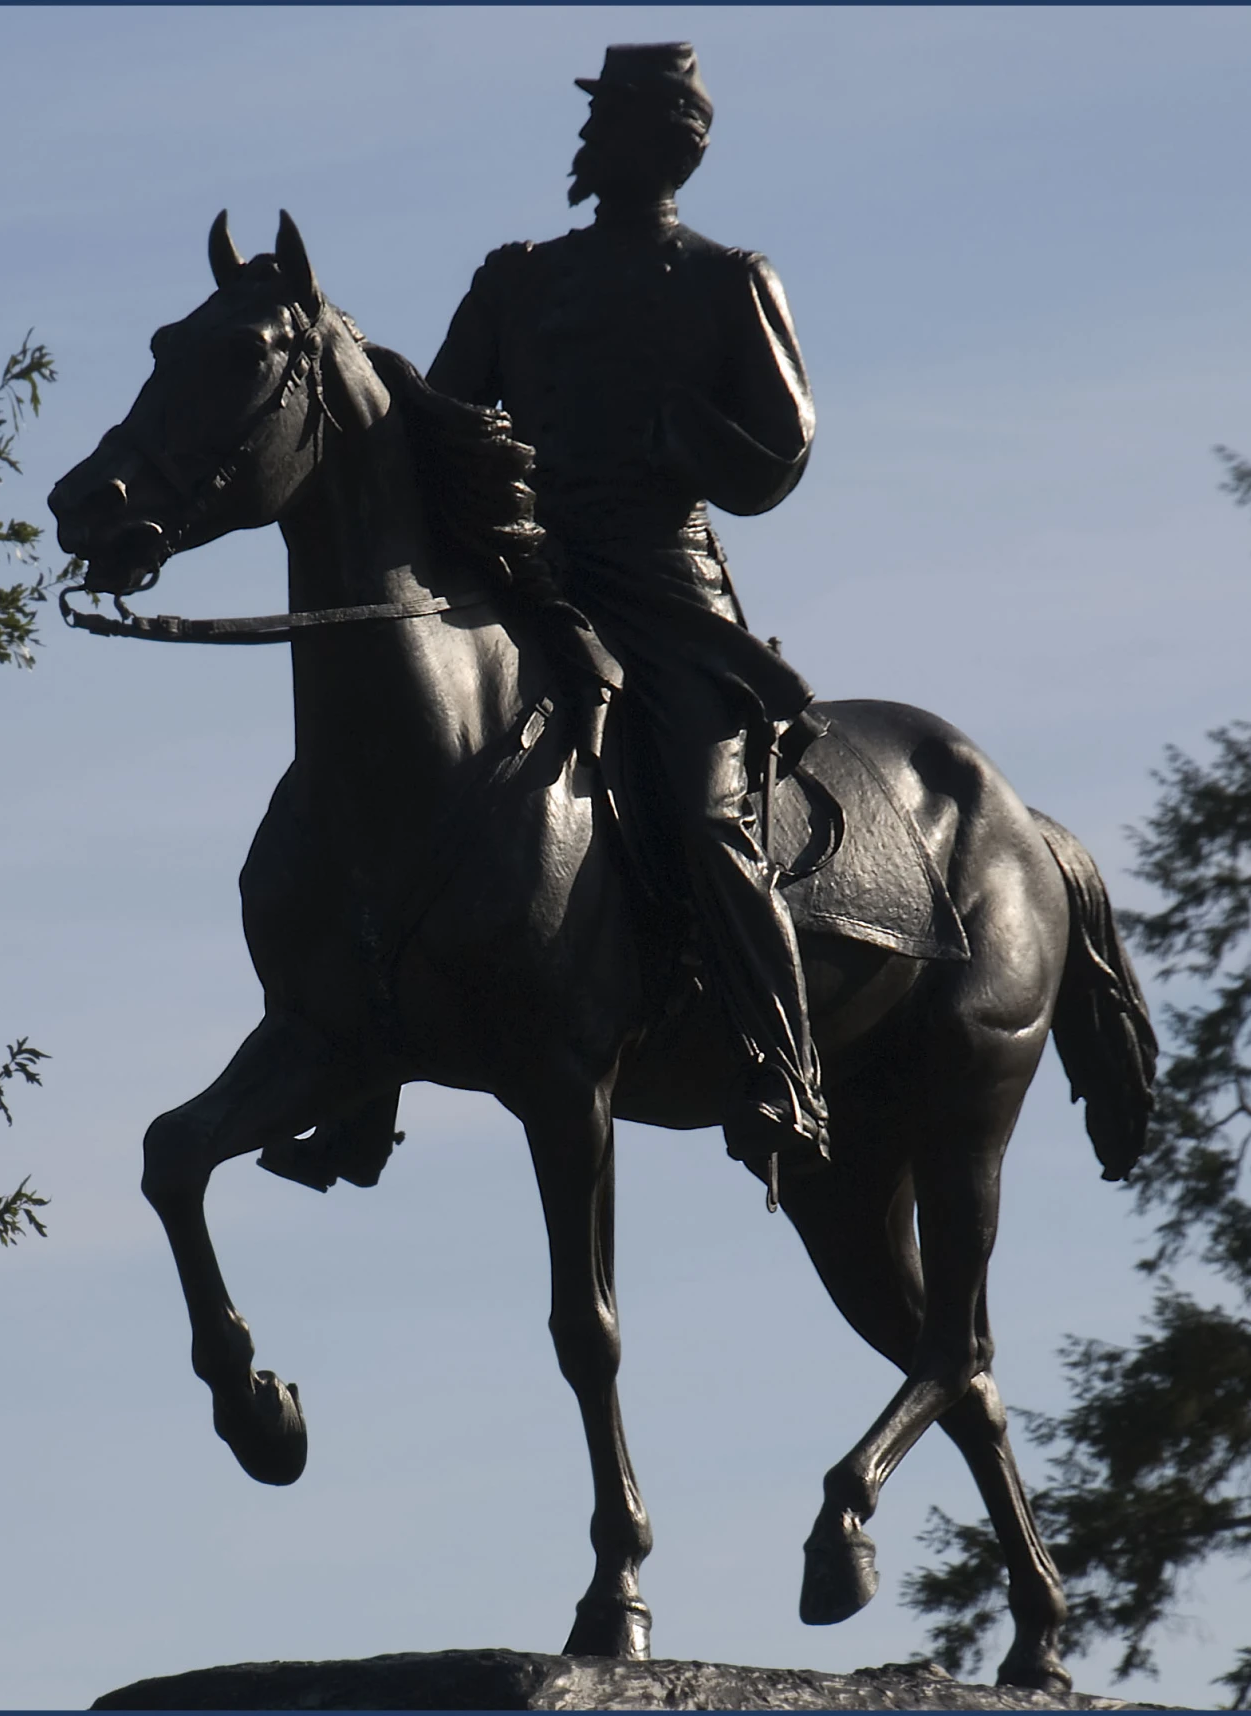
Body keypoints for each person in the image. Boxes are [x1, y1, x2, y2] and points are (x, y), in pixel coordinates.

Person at [427, 42, 830, 1171]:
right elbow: (438, 422)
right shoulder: (516, 278)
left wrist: (677, 436)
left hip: (661, 586)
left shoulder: (725, 278)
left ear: (671, 145)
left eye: (622, 123)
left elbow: (778, 454)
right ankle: (360, 1083)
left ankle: (786, 1074)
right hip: (532, 578)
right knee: (417, 771)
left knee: (708, 818)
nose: (597, 142)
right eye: (598, 121)